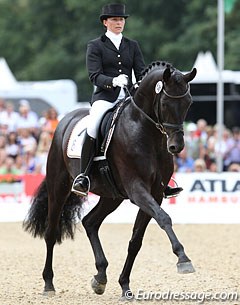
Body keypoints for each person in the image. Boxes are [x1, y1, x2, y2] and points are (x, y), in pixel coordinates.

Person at [72, 3, 183, 199]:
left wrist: (142, 84)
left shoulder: (132, 45)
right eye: (115, 19)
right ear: (105, 22)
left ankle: (162, 180)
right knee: (93, 125)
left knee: (156, 124)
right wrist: (113, 81)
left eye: (121, 20)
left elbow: (141, 73)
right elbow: (94, 76)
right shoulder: (95, 46)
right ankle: (84, 176)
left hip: (131, 96)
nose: (119, 23)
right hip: (105, 98)